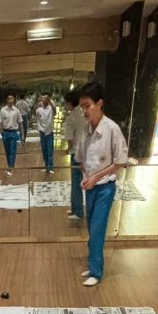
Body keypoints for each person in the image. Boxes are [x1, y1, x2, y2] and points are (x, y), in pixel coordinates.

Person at [77, 81, 128, 287]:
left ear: (99, 103)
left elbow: (120, 162)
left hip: (105, 188)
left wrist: (96, 177)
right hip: (90, 187)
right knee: (91, 228)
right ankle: (92, 265)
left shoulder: (112, 129)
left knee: (97, 229)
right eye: (82, 106)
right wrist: (85, 175)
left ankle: (96, 272)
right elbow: (82, 159)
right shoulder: (85, 129)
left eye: (87, 106)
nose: (84, 111)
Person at [63, 90, 87, 221]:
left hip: (77, 153)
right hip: (86, 152)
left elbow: (70, 138)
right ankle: (75, 208)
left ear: (70, 103)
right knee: (79, 182)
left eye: (66, 103)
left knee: (76, 182)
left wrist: (68, 149)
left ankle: (78, 211)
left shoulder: (72, 116)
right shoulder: (83, 113)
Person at [0, 94, 21, 176]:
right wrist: (2, 132)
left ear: (14, 100)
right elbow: (0, 122)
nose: (10, 100)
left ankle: (11, 167)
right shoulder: (2, 110)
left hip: (13, 132)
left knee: (12, 151)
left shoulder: (16, 110)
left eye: (12, 98)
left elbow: (20, 122)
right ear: (6, 100)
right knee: (7, 151)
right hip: (5, 132)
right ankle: (9, 165)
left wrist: (21, 134)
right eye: (9, 99)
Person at [35, 94, 55, 174]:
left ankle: (50, 167)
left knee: (50, 150)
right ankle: (46, 166)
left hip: (49, 132)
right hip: (42, 132)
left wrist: (50, 101)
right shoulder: (39, 110)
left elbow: (55, 110)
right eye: (43, 98)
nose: (44, 100)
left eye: (46, 98)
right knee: (44, 150)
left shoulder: (51, 108)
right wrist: (37, 102)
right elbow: (36, 114)